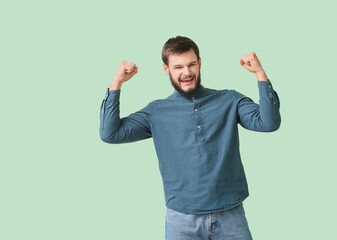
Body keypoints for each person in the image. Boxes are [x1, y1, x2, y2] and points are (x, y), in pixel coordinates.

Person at [99, 36, 281, 240]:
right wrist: (116, 83)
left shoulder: (229, 99)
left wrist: (260, 73)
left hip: (231, 214)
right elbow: (110, 133)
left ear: (200, 64)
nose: (186, 72)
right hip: (181, 220)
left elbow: (269, 122)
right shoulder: (156, 111)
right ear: (166, 69)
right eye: (178, 67)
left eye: (191, 64)